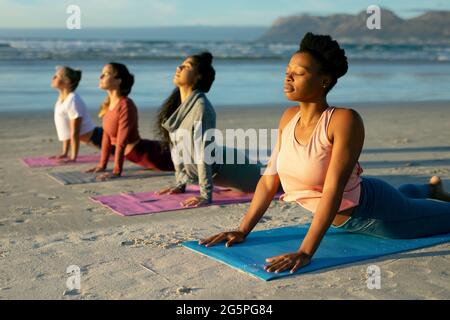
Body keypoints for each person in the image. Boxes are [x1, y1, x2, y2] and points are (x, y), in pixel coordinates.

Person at [199, 32, 450, 274]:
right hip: (363, 193)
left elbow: (333, 189)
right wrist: (242, 230)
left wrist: (305, 252)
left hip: (378, 214)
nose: (288, 78)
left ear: (324, 80)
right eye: (288, 72)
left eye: (298, 73)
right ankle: (431, 189)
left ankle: (430, 193)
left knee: (424, 211)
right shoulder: (289, 118)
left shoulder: (343, 120)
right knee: (407, 197)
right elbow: (269, 179)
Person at [155, 52, 263, 207]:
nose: (179, 67)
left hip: (235, 168)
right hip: (223, 160)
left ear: (198, 77)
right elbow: (177, 147)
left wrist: (206, 195)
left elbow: (203, 152)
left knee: (278, 180)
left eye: (187, 66)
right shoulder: (177, 107)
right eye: (181, 64)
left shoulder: (201, 107)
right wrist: (180, 183)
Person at [86, 62, 174, 180]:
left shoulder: (126, 105)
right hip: (135, 154)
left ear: (118, 80)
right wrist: (102, 165)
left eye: (106, 74)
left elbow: (121, 141)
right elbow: (106, 137)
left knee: (191, 160)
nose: (100, 77)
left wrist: (117, 171)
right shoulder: (108, 105)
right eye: (101, 74)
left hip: (148, 154)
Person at [50, 66, 103, 163]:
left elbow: (75, 132)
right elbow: (66, 130)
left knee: (128, 151)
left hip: (99, 138)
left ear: (67, 81)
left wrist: (73, 158)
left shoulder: (73, 100)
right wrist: (65, 153)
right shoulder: (61, 100)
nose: (53, 78)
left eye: (57, 76)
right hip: (94, 140)